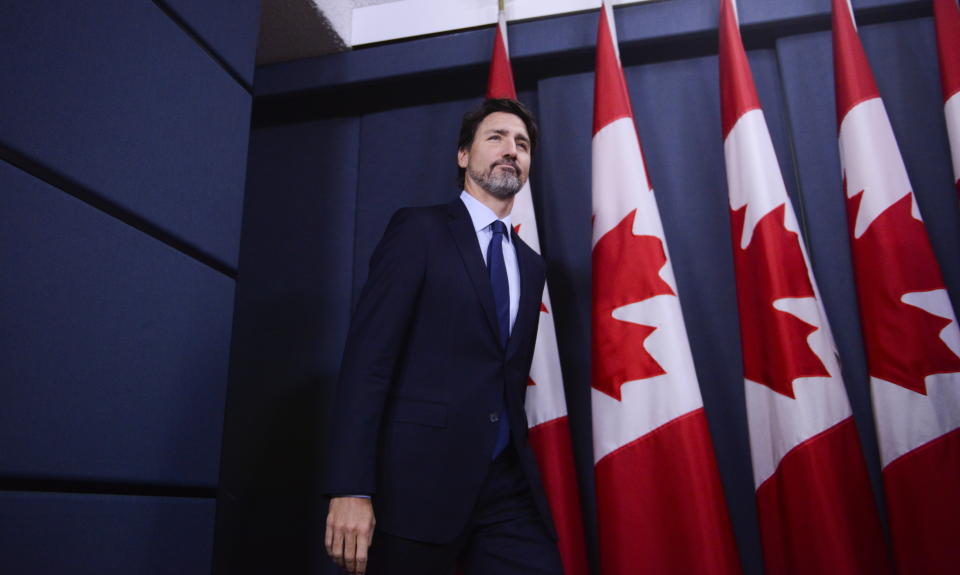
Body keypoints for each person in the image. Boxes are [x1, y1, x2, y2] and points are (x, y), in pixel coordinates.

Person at [322, 99, 561, 575]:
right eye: (495, 138)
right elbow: (369, 360)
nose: (510, 150)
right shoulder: (419, 231)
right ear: (462, 156)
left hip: (505, 488)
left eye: (522, 144)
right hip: (416, 486)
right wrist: (351, 486)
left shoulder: (532, 265)